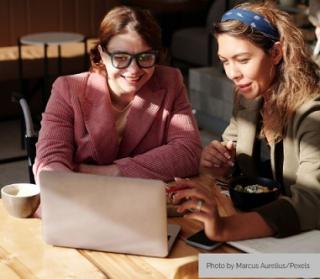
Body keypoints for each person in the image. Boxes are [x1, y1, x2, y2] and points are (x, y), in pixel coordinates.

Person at [170, 2, 320, 241]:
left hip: (305, 240)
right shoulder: (249, 96)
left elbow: (312, 203)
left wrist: (225, 229)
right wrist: (217, 164)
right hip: (262, 231)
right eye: (225, 61)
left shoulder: (313, 112)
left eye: (242, 59)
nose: (232, 73)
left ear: (275, 53)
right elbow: (231, 156)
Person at [33, 6, 202, 182]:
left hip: (147, 199)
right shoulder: (68, 89)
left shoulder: (170, 81)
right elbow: (49, 160)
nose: (134, 70)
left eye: (145, 57)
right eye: (121, 57)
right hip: (84, 197)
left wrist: (115, 172)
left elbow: (189, 152)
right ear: (102, 54)